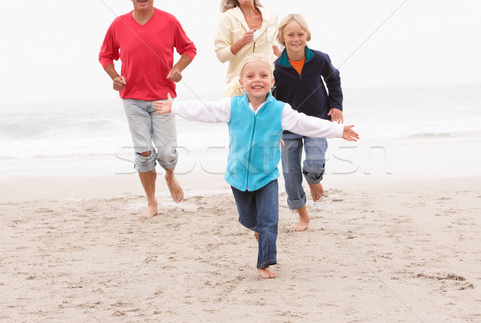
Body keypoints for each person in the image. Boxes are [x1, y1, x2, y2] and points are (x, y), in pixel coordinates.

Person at [154, 55, 359, 279]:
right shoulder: (232, 106)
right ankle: (257, 228)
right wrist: (175, 107)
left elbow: (306, 123)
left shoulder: (280, 110)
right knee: (249, 219)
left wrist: (338, 130)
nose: (257, 80)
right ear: (241, 83)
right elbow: (204, 110)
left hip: (266, 175)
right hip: (237, 175)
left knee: (270, 220)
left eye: (263, 75)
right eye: (250, 76)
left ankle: (265, 262)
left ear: (272, 81)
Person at [98, 0, 197, 218]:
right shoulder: (118, 24)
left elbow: (189, 49)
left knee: (166, 152)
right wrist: (114, 77)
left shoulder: (169, 21)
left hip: (162, 96)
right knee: (143, 151)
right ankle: (152, 203)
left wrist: (177, 68)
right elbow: (105, 55)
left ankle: (170, 174)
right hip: (132, 98)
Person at [272, 14, 344, 232]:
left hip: (316, 121)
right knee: (290, 175)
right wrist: (273, 129)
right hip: (288, 127)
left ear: (307, 35)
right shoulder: (276, 67)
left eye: (300, 34)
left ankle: (313, 179)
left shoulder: (320, 59)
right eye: (290, 35)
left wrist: (336, 104)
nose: (296, 38)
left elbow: (333, 78)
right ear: (282, 38)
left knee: (314, 162)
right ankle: (303, 216)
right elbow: (271, 100)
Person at [214, 0, 281, 97]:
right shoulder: (227, 18)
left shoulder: (271, 16)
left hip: (267, 85)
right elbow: (221, 56)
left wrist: (291, 56)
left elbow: (273, 45)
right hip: (239, 86)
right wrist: (242, 42)